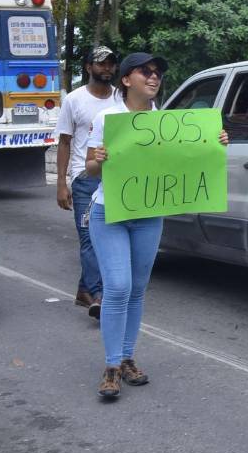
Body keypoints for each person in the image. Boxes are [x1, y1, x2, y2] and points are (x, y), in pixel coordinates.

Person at [84, 52, 228, 399]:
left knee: (135, 289)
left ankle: (128, 357)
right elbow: (89, 169)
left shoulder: (168, 122)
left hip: (148, 216)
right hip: (110, 213)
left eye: (157, 73)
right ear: (126, 80)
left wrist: (215, 143)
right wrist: (98, 160)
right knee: (117, 287)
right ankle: (111, 365)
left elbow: (186, 161)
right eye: (145, 72)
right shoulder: (108, 118)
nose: (154, 78)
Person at [56, 46, 120, 318]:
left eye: (111, 64)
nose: (106, 68)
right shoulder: (74, 100)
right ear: (88, 67)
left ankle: (86, 289)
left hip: (118, 177)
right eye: (101, 64)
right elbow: (64, 141)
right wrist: (61, 182)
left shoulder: (122, 98)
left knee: (109, 237)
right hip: (85, 179)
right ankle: (99, 296)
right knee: (90, 238)